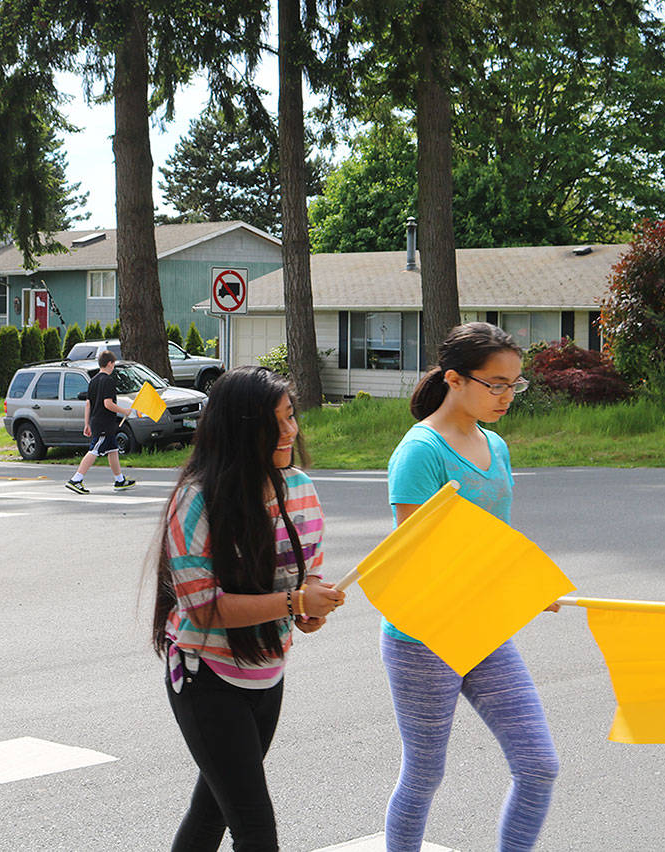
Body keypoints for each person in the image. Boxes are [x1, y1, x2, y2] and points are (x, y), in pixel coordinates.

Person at [381, 322, 559, 852]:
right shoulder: (420, 452)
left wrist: (522, 581)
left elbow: (495, 539)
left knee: (538, 765)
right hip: (424, 638)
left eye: (515, 385)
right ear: (455, 379)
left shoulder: (496, 446)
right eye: (496, 384)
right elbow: (416, 558)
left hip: (484, 631)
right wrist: (515, 582)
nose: (507, 396)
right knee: (425, 775)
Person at [152, 365, 345, 851]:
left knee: (213, 810)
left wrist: (310, 610)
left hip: (267, 671)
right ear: (239, 427)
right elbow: (203, 610)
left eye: (291, 416)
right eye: (273, 421)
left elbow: (304, 583)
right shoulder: (195, 500)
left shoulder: (298, 489)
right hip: (206, 675)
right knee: (256, 831)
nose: (289, 431)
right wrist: (294, 601)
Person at [66, 349, 136, 493]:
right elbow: (107, 404)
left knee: (113, 450)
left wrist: (86, 424)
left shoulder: (93, 381)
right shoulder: (108, 381)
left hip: (97, 421)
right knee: (94, 450)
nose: (113, 367)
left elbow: (88, 404)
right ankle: (76, 479)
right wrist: (125, 411)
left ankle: (120, 480)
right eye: (113, 364)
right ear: (110, 363)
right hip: (104, 423)